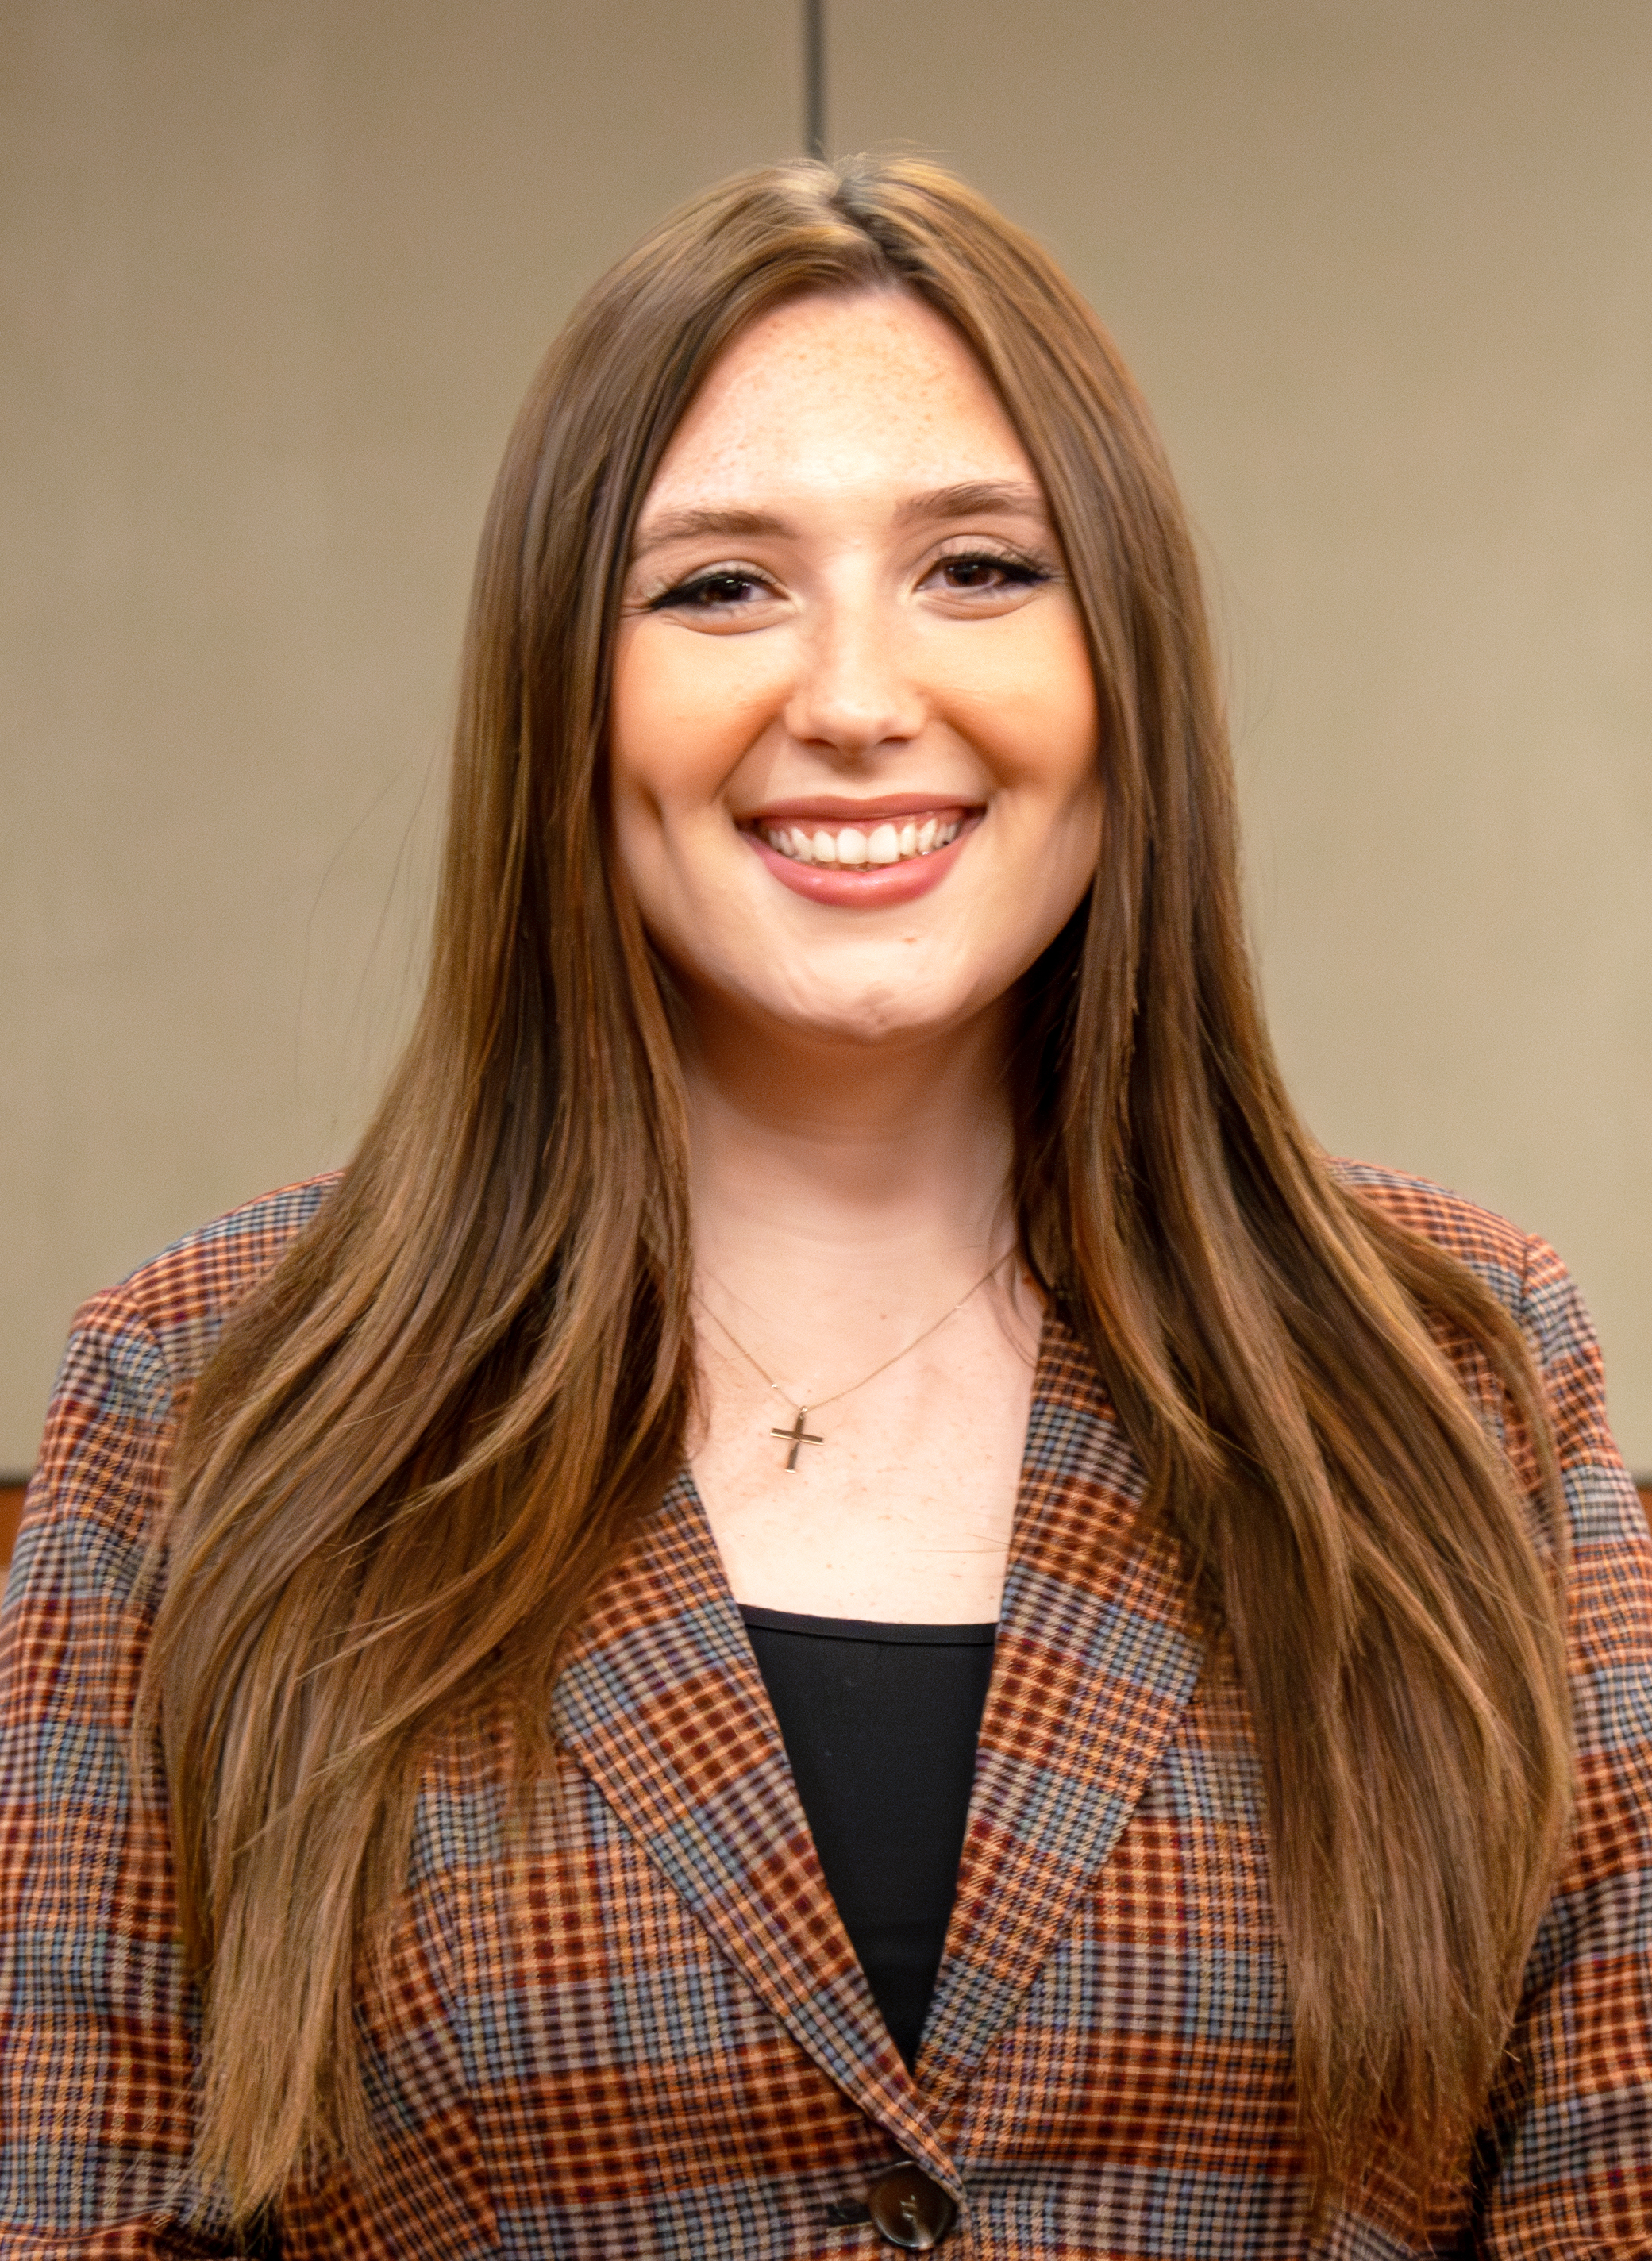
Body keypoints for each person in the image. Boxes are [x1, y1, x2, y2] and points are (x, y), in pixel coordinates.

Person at [1, 157, 1647, 2261]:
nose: (858, 697)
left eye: (976, 569)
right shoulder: (204, 1408)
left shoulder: (1461, 1375)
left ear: (1120, 658)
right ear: (558, 697)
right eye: (717, 588)